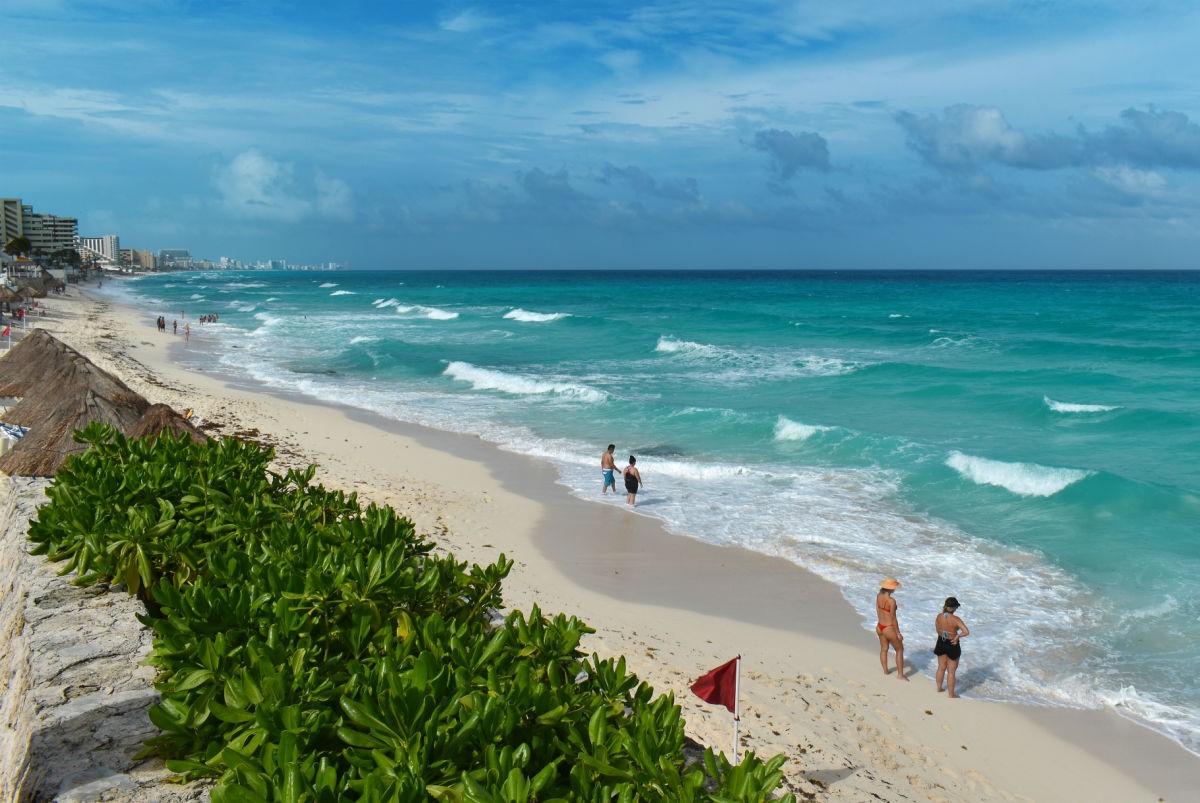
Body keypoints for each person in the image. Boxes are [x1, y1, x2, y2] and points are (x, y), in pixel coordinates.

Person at [933, 596, 970, 698]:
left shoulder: (939, 616)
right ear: (953, 608)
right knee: (951, 671)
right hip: (952, 643)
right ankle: (951, 694)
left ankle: (939, 688)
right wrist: (957, 636)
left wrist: (943, 634)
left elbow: (937, 629)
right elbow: (966, 632)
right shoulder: (956, 619)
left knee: (941, 667)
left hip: (941, 641)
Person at [876, 577, 907, 681]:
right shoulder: (891, 601)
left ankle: (885, 670)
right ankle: (900, 675)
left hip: (880, 626)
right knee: (899, 650)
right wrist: (898, 633)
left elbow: (878, 610)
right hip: (889, 627)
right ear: (891, 588)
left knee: (884, 649)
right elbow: (893, 618)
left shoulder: (879, 595)